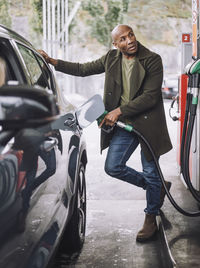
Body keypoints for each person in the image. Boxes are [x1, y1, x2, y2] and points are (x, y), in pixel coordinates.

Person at [39, 24, 172, 242]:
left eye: (131, 35)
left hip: (148, 124)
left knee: (150, 169)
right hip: (124, 125)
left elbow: (150, 97)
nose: (129, 41)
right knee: (113, 167)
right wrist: (53, 62)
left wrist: (118, 111)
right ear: (115, 44)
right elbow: (83, 69)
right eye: (122, 39)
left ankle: (151, 215)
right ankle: (155, 187)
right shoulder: (111, 58)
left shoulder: (152, 59)